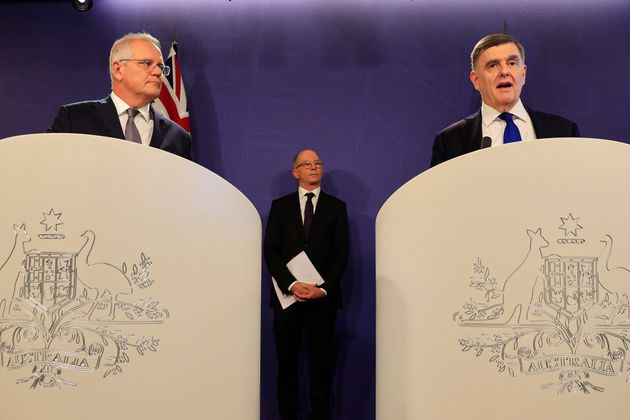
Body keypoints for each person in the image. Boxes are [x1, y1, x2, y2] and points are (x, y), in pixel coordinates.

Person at [264, 149, 349, 420]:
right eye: (306, 164)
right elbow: (271, 251)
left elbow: (341, 254)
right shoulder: (280, 206)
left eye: (317, 163)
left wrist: (322, 289)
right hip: (288, 301)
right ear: (295, 172)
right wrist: (291, 284)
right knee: (287, 369)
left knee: (320, 371)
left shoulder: (337, 207)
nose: (313, 167)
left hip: (322, 303)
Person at [430, 33, 580, 167]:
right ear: (475, 80)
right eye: (493, 65)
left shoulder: (564, 131)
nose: (504, 72)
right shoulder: (449, 141)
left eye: (512, 63)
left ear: (524, 74)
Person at [48, 32, 192, 160]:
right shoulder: (74, 119)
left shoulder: (179, 137)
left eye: (160, 67)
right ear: (118, 69)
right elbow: (48, 170)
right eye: (146, 63)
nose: (157, 72)